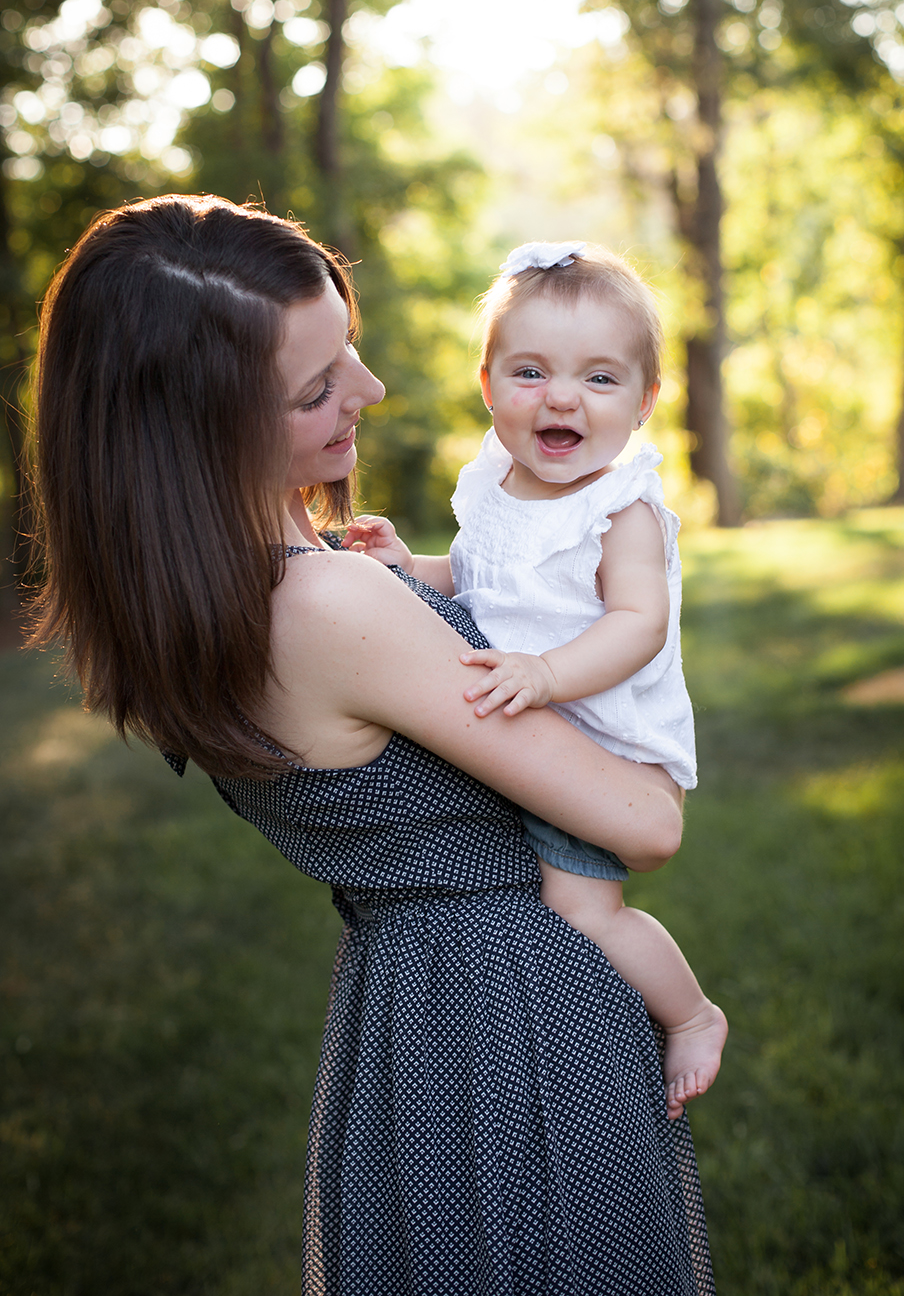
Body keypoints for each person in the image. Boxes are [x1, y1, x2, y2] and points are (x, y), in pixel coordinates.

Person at [28, 195, 716, 1296]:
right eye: (317, 387)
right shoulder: (325, 606)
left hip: (410, 1007)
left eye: (346, 351)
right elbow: (645, 820)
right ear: (200, 427)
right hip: (515, 1013)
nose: (372, 391)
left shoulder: (200, 603)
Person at [344, 241, 728, 1118]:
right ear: (487, 386)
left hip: (610, 741)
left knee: (583, 909)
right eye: (531, 372)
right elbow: (484, 580)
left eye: (599, 380)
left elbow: (639, 624)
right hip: (541, 711)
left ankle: (693, 1013)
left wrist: (548, 675)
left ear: (643, 403)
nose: (561, 398)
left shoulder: (619, 508)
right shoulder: (496, 483)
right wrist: (413, 566)